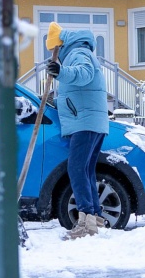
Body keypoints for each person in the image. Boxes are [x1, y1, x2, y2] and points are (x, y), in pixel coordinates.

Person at [44, 22, 109, 239]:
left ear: (60, 46)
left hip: (85, 122)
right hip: (90, 121)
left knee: (76, 169)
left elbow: (84, 74)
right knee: (86, 170)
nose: (56, 55)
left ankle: (86, 221)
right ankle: (96, 217)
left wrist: (60, 71)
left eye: (55, 50)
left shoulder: (77, 52)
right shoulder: (79, 51)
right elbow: (79, 88)